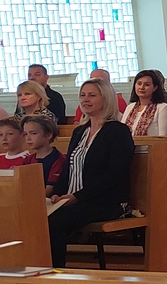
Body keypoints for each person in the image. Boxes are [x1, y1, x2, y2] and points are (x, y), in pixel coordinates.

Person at [48, 79, 135, 267]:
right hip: (75, 199)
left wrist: (77, 197)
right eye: (82, 95)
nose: (85, 99)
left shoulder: (118, 131)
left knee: (55, 221)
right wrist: (57, 193)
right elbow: (68, 168)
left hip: (105, 201)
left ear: (106, 98)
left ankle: (56, 272)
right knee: (34, 216)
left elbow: (114, 175)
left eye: (92, 95)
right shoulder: (80, 131)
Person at [121, 70, 167, 136]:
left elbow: (163, 138)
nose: (141, 87)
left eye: (147, 85)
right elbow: (121, 131)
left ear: (155, 88)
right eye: (139, 83)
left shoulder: (163, 108)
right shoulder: (130, 107)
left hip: (152, 143)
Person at [21, 115, 65, 195]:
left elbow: (50, 189)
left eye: (33, 133)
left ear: (48, 135)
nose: (28, 138)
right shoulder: (28, 159)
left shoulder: (58, 159)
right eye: (26, 134)